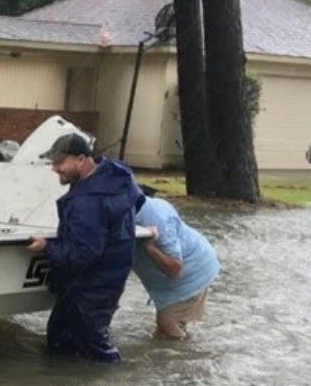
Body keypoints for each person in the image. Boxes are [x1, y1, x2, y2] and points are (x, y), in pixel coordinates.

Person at [26, 133, 144, 364]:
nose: (54, 169)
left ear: (81, 159)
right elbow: (138, 203)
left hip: (88, 289)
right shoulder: (117, 176)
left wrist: (47, 247)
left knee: (94, 349)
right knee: (62, 343)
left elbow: (84, 254)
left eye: (60, 163)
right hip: (110, 281)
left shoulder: (87, 202)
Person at [132, 190, 220, 340]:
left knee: (167, 323)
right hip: (180, 273)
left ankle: (190, 357)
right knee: (164, 335)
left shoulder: (155, 217)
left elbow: (175, 269)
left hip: (191, 271)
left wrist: (150, 248)